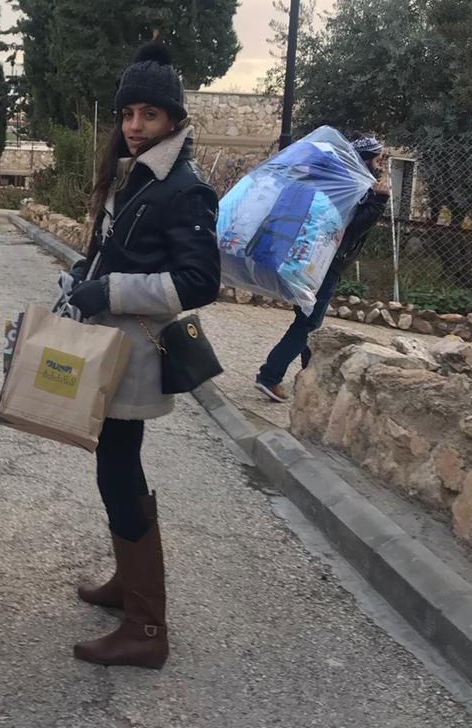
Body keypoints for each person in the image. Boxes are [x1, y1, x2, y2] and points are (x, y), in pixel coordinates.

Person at [62, 41, 221, 670]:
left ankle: (147, 627)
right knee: (117, 466)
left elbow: (199, 282)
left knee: (117, 470)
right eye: (128, 114)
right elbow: (117, 250)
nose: (134, 126)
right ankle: (130, 587)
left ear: (173, 119)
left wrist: (112, 290)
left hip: (134, 354)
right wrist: (85, 275)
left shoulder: (185, 189)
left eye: (149, 115)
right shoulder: (133, 176)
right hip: (109, 347)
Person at [253, 135, 390, 403]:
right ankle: (269, 376)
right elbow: (352, 228)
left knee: (310, 321)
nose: (380, 166)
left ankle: (311, 378)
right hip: (324, 264)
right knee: (307, 323)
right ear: (365, 161)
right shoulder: (354, 186)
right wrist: (379, 200)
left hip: (313, 260)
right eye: (377, 160)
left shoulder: (341, 181)